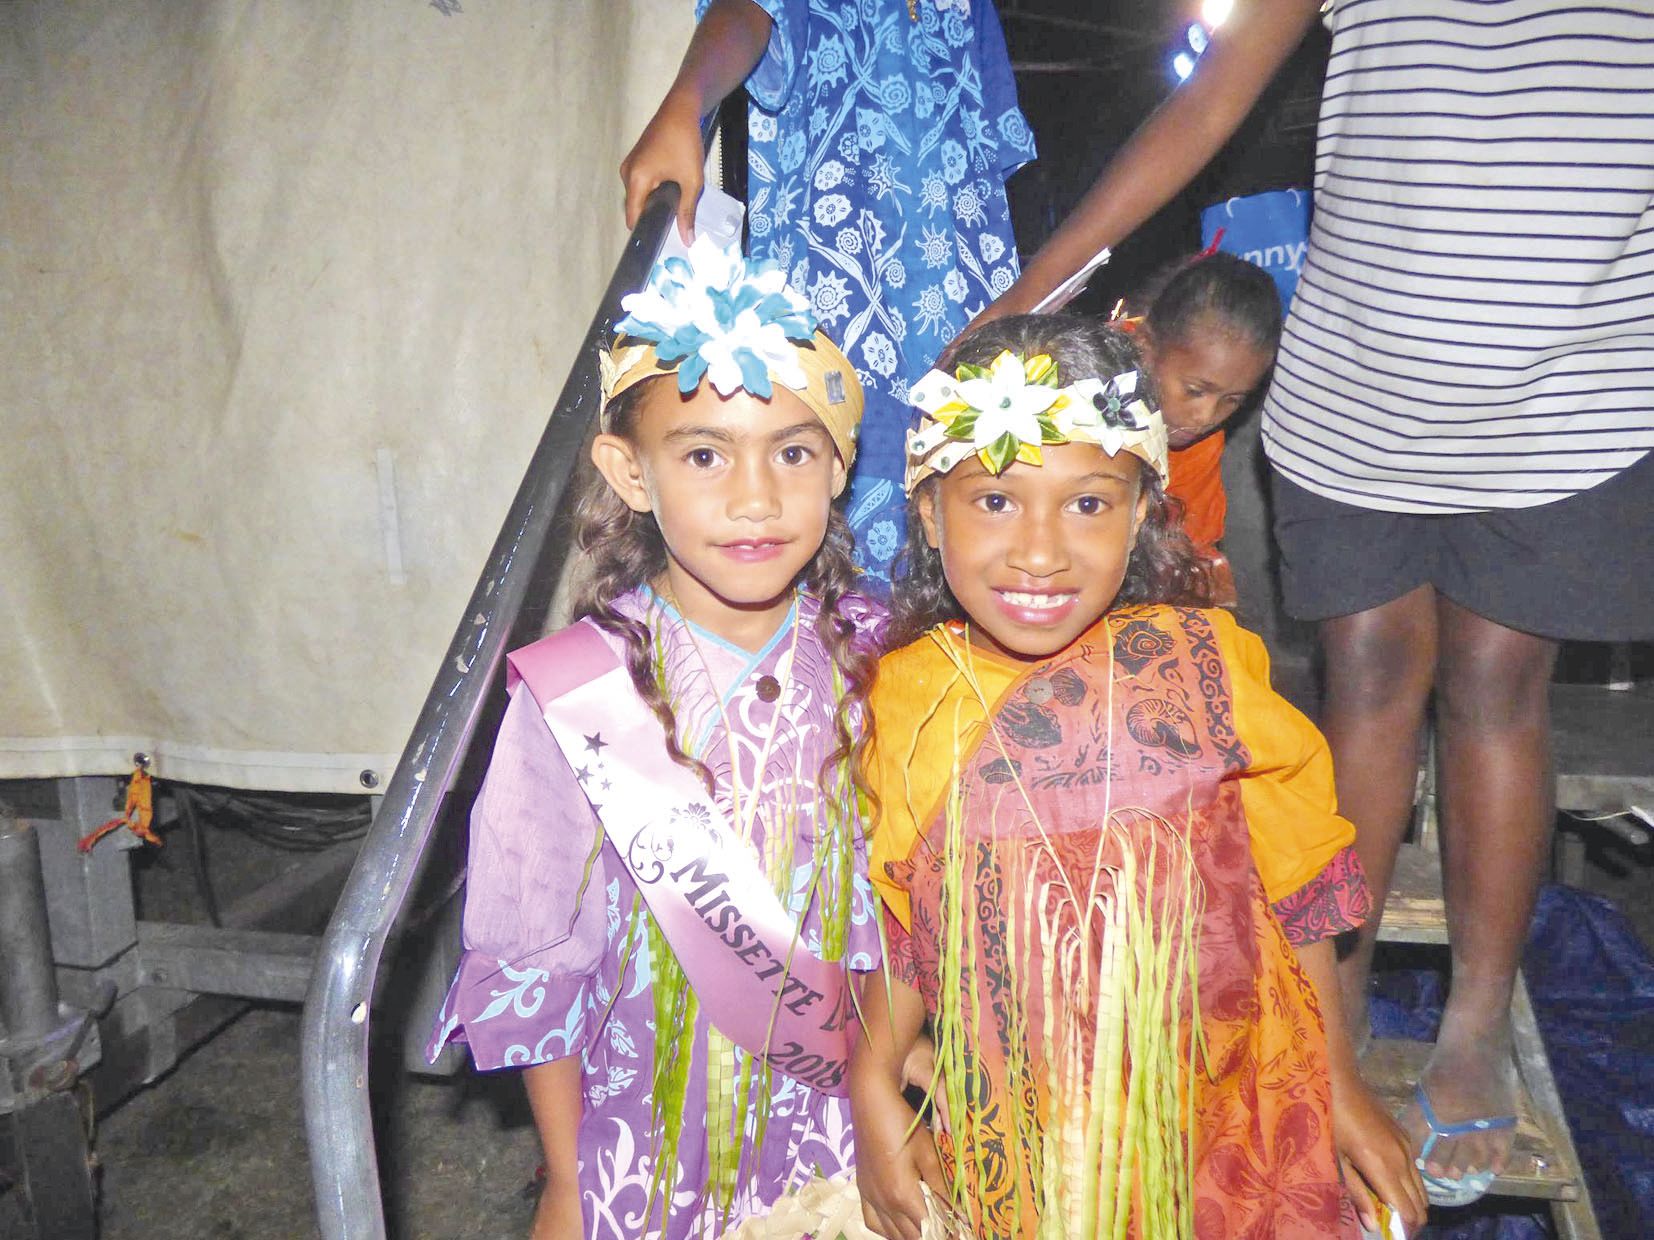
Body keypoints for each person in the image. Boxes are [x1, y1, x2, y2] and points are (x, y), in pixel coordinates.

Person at [976, 0, 1654, 1205]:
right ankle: (1323, 1010)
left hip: (1565, 394)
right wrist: (1041, 280)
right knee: (1369, 683)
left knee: (1498, 688)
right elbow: (1212, 93)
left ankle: (1478, 1015)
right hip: (1359, 385)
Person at [848, 315, 1426, 1239]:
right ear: (927, 511)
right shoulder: (910, 695)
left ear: (1144, 511)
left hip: (1225, 1107)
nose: (1040, 552)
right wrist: (870, 1074)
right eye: (996, 501)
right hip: (1029, 1128)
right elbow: (912, 916)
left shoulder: (1203, 672)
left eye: (1088, 504)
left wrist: (1339, 1084)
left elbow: (1297, 890)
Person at [428, 237, 888, 1239]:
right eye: (704, 454)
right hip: (650, 1131)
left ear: (841, 465)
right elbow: (535, 938)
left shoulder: (881, 661)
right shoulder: (575, 691)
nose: (755, 497)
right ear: (628, 472)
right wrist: (564, 1178)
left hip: (850, 1122)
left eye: (793, 452)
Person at [620, 0, 1037, 587]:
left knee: (980, 532)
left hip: (966, 304)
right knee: (828, 529)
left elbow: (994, 161)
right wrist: (686, 103)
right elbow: (747, 11)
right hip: (837, 287)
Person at [1130, 251, 1283, 603]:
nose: (1206, 417)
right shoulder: (1080, 393)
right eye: (1195, 391)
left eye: (1233, 400)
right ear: (1144, 347)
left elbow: (1192, 541)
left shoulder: (1198, 440)